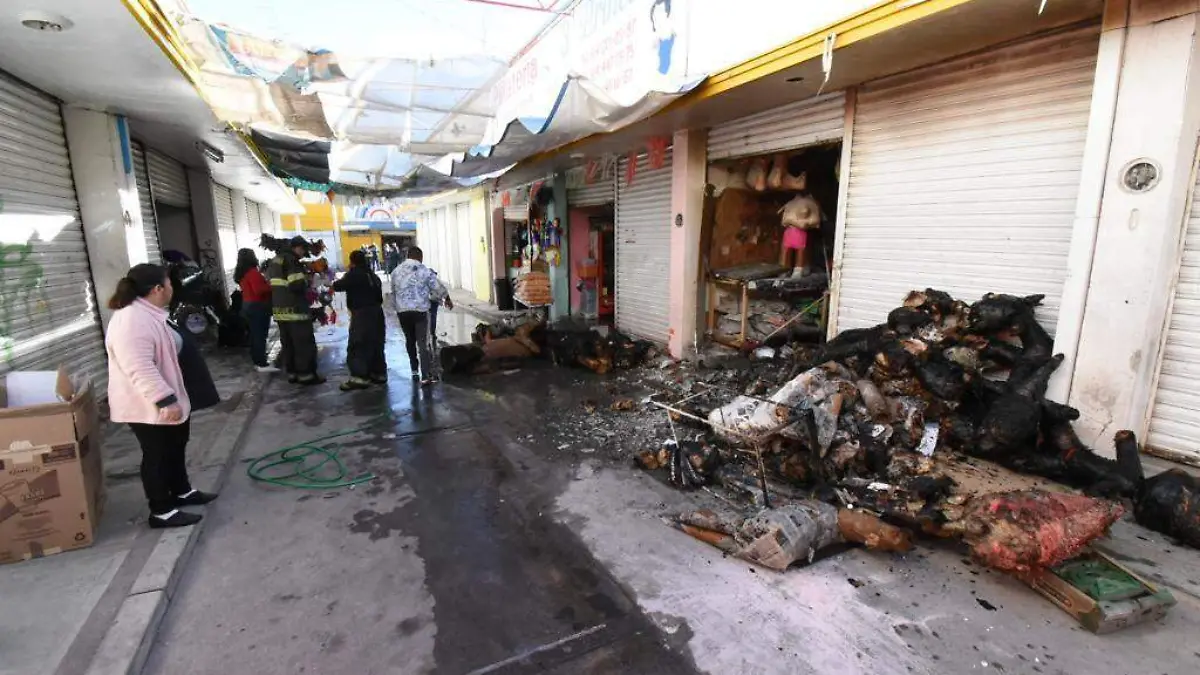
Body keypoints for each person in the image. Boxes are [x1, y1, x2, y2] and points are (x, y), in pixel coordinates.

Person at [106, 264, 217, 528]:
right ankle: (161, 510)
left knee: (176, 446)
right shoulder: (131, 320)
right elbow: (138, 366)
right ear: (158, 289)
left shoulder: (150, 313)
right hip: (149, 404)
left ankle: (181, 491)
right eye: (169, 283)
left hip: (168, 396)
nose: (171, 288)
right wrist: (165, 400)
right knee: (157, 454)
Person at [267, 236, 324, 385]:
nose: (303, 253)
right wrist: (307, 278)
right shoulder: (291, 260)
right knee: (303, 343)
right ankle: (306, 375)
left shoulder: (275, 261)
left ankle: (292, 373)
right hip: (295, 309)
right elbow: (296, 284)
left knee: (288, 343)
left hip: (280, 310)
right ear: (297, 247)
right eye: (303, 249)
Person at [391, 246, 452, 385]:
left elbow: (393, 293)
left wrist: (398, 308)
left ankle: (414, 370)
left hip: (403, 312)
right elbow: (437, 286)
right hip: (420, 312)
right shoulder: (424, 271)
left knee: (409, 340)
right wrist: (447, 298)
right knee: (423, 343)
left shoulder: (396, 271)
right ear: (419, 257)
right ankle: (426, 375)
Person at [333, 250, 387, 391]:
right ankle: (378, 373)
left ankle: (360, 377)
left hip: (362, 314)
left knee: (358, 344)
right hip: (377, 313)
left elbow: (338, 286)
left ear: (353, 262)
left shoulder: (354, 274)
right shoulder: (373, 275)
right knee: (376, 343)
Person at [234, 249, 277, 373]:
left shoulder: (242, 273)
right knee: (260, 335)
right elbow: (259, 290)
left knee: (254, 335)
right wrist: (271, 284)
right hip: (258, 306)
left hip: (247, 305)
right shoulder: (252, 272)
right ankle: (261, 363)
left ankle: (257, 361)